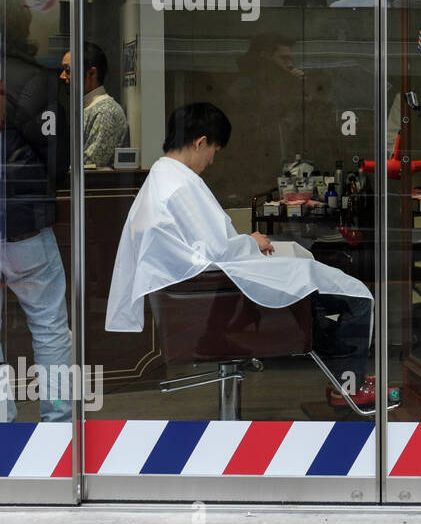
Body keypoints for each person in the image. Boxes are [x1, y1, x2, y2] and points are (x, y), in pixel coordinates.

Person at [105, 103, 376, 408]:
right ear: (200, 142)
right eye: (214, 150)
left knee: (310, 305)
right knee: (358, 298)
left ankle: (346, 376)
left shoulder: (162, 177)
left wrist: (246, 243)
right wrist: (250, 241)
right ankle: (348, 384)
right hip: (217, 296)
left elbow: (204, 248)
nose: (211, 159)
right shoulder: (180, 186)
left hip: (201, 294)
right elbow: (218, 249)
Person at [0, 0, 74, 422]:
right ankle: (58, 428)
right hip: (26, 226)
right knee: (49, 329)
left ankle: (3, 431)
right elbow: (57, 159)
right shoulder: (38, 80)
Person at [60, 41, 129, 167]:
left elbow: (90, 164)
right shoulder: (88, 108)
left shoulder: (105, 112)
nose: (62, 76)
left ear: (92, 73)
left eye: (68, 70)